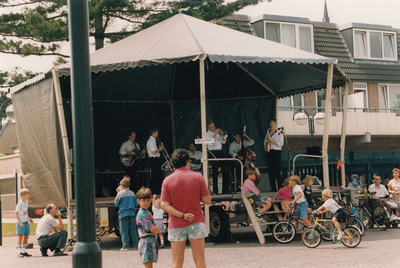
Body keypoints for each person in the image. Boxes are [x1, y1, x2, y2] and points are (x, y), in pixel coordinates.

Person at [161, 148, 211, 268]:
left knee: (177, 262)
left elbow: (164, 205)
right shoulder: (198, 177)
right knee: (200, 260)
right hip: (196, 222)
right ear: (187, 162)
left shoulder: (167, 181)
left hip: (176, 224)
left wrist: (182, 215)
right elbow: (208, 200)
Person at [136, 187, 159, 268]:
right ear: (138, 201)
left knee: (149, 265)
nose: (146, 202)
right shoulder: (142, 214)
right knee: (148, 265)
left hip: (149, 241)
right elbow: (152, 229)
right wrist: (156, 228)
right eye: (144, 200)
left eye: (148, 200)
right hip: (146, 242)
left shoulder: (147, 212)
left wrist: (156, 228)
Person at [114, 177, 139, 251]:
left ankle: (125, 246)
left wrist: (117, 193)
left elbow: (116, 203)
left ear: (121, 185)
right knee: (133, 230)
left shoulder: (120, 194)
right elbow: (136, 204)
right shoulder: (132, 193)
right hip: (132, 213)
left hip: (123, 213)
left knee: (124, 230)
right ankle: (137, 245)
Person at [206, 122, 230, 194]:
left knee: (225, 170)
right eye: (211, 127)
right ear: (208, 128)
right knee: (215, 171)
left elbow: (223, 142)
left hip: (220, 152)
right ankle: (215, 190)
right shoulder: (207, 134)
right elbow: (211, 143)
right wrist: (215, 133)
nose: (213, 128)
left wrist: (222, 135)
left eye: (214, 126)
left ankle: (225, 190)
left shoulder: (217, 133)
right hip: (213, 152)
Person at [264, 119, 284, 192]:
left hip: (276, 152)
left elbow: (280, 144)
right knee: (270, 171)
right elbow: (264, 142)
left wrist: (271, 140)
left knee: (277, 170)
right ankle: (273, 188)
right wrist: (266, 146)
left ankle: (279, 187)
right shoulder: (268, 133)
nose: (270, 126)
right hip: (269, 152)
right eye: (270, 124)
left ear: (275, 125)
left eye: (272, 124)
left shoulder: (279, 133)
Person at [15, 188, 34, 258]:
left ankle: (23, 251)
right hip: (21, 222)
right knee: (20, 237)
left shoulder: (26, 203)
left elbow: (25, 212)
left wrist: (29, 218)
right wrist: (20, 222)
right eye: (27, 195)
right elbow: (16, 214)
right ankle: (19, 251)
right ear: (23, 195)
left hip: (26, 221)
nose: (28, 196)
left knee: (26, 236)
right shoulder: (20, 204)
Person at [146, 128, 164, 194]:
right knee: (156, 176)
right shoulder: (151, 141)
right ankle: (156, 191)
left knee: (157, 175)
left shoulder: (153, 141)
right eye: (157, 132)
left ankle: (157, 190)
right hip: (154, 159)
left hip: (155, 159)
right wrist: (159, 149)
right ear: (153, 132)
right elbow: (154, 152)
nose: (158, 134)